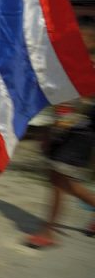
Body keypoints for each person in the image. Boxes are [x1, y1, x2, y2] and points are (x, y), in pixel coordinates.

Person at [26, 97, 95, 249]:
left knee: (58, 184)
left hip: (79, 135)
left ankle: (48, 232)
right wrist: (48, 131)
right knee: (67, 184)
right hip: (63, 130)